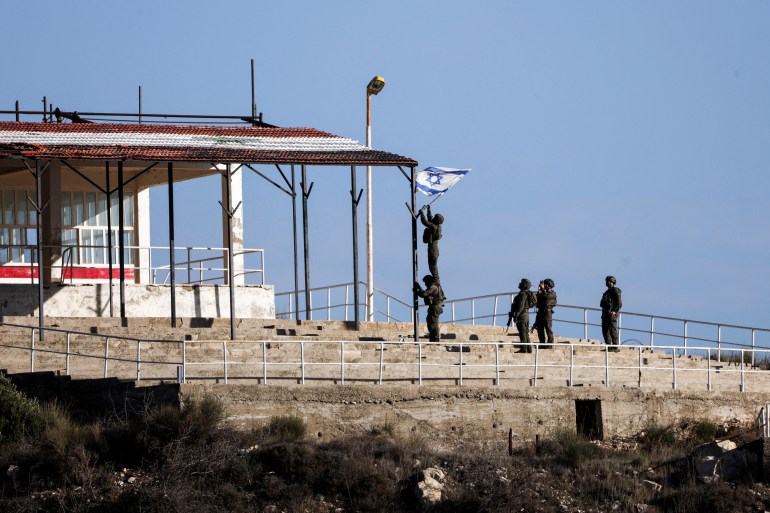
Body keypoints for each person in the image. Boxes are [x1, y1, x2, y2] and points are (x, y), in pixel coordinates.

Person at [414, 274, 445, 342]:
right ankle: (433, 338)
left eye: (426, 282)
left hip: (435, 307)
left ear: (429, 281)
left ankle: (435, 339)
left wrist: (418, 287)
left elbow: (424, 294)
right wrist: (418, 291)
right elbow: (424, 294)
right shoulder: (432, 287)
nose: (425, 284)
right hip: (433, 307)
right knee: (430, 322)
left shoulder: (433, 287)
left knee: (433, 323)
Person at [508, 278, 533, 353]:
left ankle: (524, 348)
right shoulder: (523, 293)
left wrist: (516, 315)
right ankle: (528, 348)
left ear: (524, 285)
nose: (519, 284)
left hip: (522, 315)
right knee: (525, 332)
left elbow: (521, 306)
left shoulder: (522, 294)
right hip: (525, 315)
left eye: (521, 283)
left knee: (522, 332)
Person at [419, 206, 443, 280]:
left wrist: (421, 213)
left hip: (432, 250)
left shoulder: (433, 227)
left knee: (432, 266)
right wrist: (428, 210)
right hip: (434, 249)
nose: (433, 218)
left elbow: (425, 222)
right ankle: (436, 279)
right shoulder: (436, 226)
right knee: (433, 266)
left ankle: (436, 280)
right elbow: (430, 219)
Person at [600, 275, 623, 351]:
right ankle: (608, 346)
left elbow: (619, 303)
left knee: (612, 330)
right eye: (607, 281)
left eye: (609, 281)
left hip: (612, 314)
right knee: (605, 330)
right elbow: (602, 304)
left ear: (612, 282)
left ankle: (615, 346)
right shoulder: (606, 293)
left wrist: (614, 311)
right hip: (605, 314)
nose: (607, 283)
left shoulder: (616, 290)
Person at [533, 278, 557, 347]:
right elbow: (536, 300)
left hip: (547, 313)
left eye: (546, 284)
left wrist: (543, 289)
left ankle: (550, 345)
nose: (545, 286)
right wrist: (539, 291)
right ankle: (542, 344)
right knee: (540, 329)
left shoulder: (552, 294)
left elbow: (547, 298)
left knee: (548, 329)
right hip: (540, 313)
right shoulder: (543, 293)